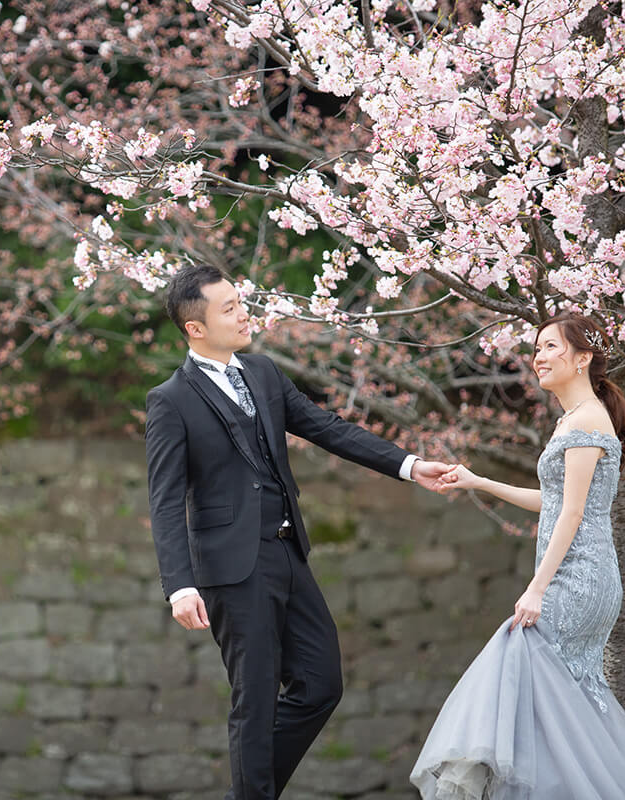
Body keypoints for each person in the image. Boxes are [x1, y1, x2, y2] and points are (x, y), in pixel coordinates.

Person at [146, 264, 454, 800]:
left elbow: (326, 428)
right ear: (195, 328)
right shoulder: (171, 399)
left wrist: (407, 464)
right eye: (229, 309)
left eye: (241, 303)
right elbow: (165, 499)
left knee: (320, 685)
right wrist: (180, 585)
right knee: (255, 699)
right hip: (231, 569)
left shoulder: (263, 373)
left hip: (289, 554)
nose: (244, 314)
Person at [410, 313, 625, 799]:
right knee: (557, 707)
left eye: (550, 347)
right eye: (535, 348)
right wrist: (479, 481)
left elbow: (573, 514)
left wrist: (536, 587)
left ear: (583, 359)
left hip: (577, 581)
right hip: (580, 577)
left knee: (518, 665)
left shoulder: (587, 420)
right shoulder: (575, 420)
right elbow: (553, 501)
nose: (538, 356)